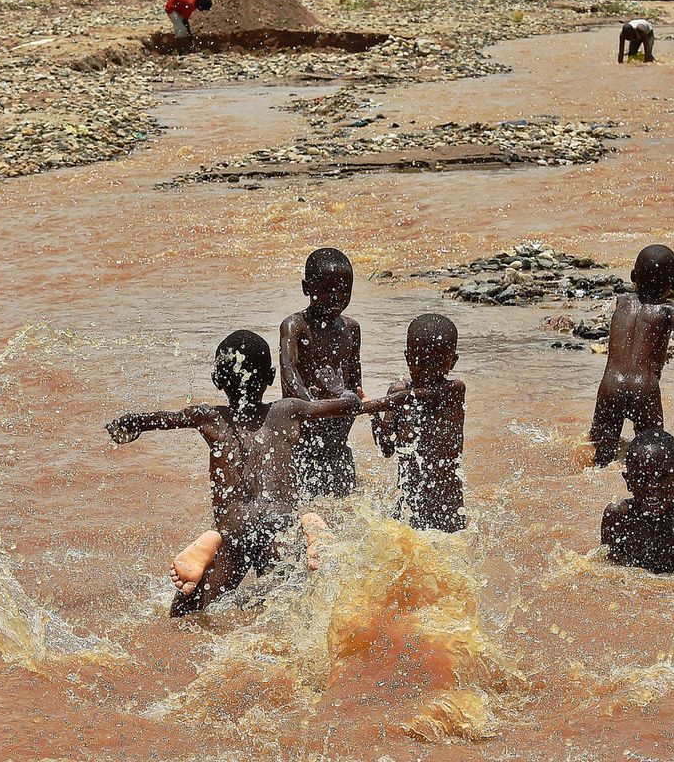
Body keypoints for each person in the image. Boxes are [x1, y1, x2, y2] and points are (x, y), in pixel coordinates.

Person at [106, 331, 407, 615]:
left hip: (234, 528)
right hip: (280, 524)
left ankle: (212, 541)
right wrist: (348, 394)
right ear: (271, 377)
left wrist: (130, 424)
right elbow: (348, 407)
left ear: (216, 380)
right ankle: (308, 527)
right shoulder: (288, 410)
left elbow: (161, 419)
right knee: (293, 606)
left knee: (183, 614)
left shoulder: (209, 417)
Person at [589, 245, 674, 467]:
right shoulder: (669, 310)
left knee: (600, 456)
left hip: (610, 386)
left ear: (633, 276)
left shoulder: (622, 302)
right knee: (652, 454)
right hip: (644, 389)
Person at [280, 248, 364, 498]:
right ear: (306, 288)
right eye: (327, 289)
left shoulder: (351, 329)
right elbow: (289, 376)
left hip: (338, 434)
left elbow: (356, 385)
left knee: (345, 501)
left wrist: (343, 401)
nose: (336, 297)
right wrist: (316, 405)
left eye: (344, 289)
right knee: (302, 501)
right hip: (303, 434)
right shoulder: (296, 326)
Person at [372, 314, 468, 533]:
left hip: (448, 508)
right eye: (421, 362)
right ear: (408, 358)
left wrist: (369, 405)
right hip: (409, 505)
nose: (428, 371)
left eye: (437, 363)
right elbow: (386, 448)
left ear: (453, 361)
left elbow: (411, 396)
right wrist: (374, 416)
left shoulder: (454, 391)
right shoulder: (396, 393)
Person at [601, 432, 674, 585]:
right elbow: (606, 572)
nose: (651, 487)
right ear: (628, 481)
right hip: (632, 590)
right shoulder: (618, 517)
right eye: (641, 477)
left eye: (663, 476)